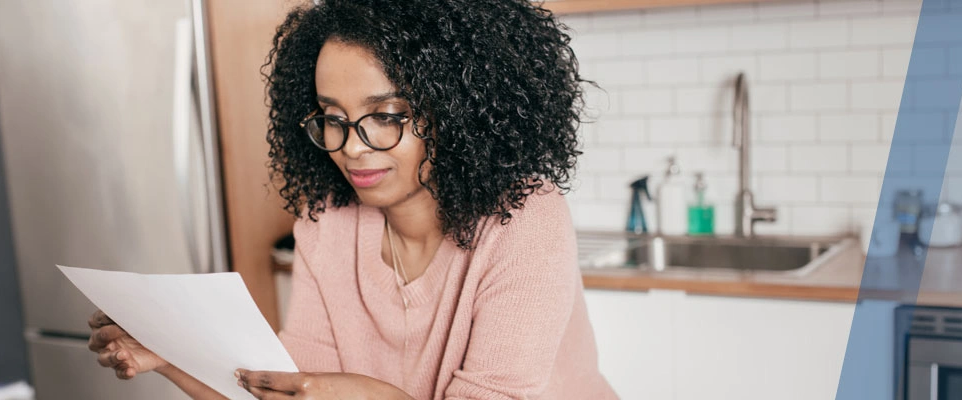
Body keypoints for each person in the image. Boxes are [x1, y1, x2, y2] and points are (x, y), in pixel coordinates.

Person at [87, 0, 617, 398]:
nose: (353, 149)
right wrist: (170, 353)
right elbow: (293, 387)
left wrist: (372, 395)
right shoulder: (328, 222)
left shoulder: (523, 218)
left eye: (386, 116)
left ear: (459, 110)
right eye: (333, 119)